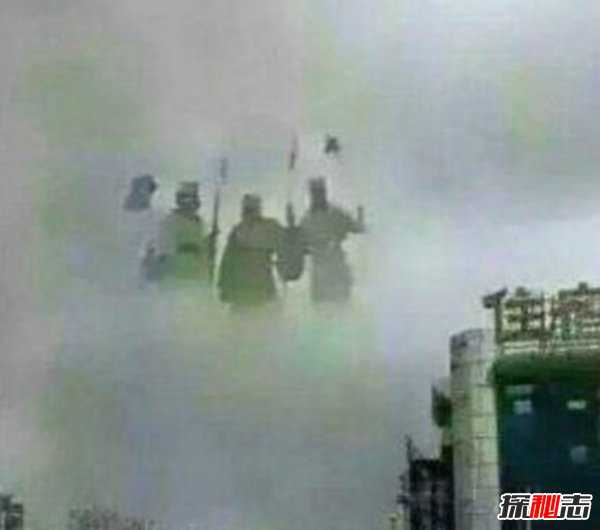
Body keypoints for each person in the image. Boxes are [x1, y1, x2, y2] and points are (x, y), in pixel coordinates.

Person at [299, 177, 365, 303]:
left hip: (337, 268)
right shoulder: (306, 220)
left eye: (320, 192)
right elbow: (301, 245)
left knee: (340, 304)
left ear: (324, 193)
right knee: (322, 307)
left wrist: (360, 216)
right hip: (319, 272)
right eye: (315, 193)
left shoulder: (336, 214)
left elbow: (358, 228)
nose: (318, 196)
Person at [217, 194, 286, 310]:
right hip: (242, 291)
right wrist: (224, 287)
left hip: (262, 290)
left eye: (251, 210)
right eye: (247, 210)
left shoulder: (269, 228)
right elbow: (227, 262)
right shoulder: (237, 231)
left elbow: (283, 246)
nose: (248, 214)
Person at [156, 182, 211, 286]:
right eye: (186, 198)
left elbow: (203, 250)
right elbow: (164, 250)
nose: (189, 202)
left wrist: (209, 242)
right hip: (176, 278)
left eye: (193, 198)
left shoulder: (199, 222)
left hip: (197, 278)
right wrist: (189, 248)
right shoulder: (170, 221)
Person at [120, 174, 159, 288]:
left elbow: (151, 247)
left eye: (150, 190)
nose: (147, 194)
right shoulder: (120, 215)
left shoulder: (153, 216)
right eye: (143, 189)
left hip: (139, 271)